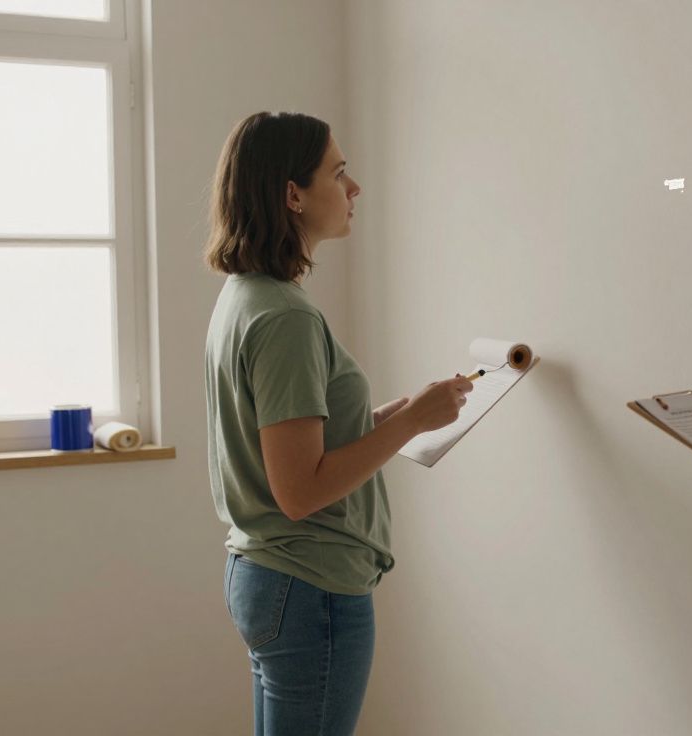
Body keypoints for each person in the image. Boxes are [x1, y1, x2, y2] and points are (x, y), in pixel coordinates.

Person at [203, 111, 473, 736]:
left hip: (270, 576)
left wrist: (386, 417)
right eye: (339, 172)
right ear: (292, 194)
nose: (354, 188)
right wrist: (409, 427)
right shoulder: (285, 317)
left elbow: (284, 438)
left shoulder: (247, 295)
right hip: (309, 586)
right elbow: (299, 491)